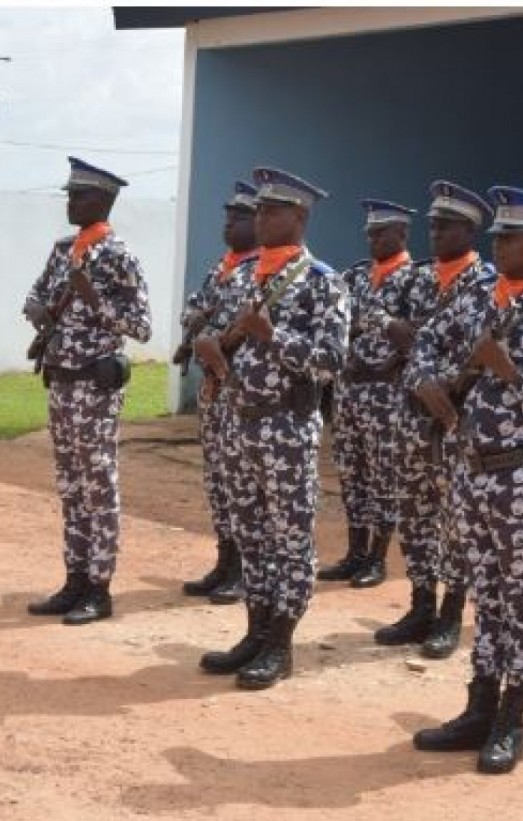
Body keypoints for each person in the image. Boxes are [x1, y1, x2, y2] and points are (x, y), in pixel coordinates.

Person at [410, 186, 523, 774]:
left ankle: (512, 718)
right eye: (496, 238)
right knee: (487, 596)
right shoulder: (476, 304)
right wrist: (430, 384)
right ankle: (478, 707)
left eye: (511, 238)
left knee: (519, 600)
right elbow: (424, 346)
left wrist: (508, 371)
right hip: (472, 471)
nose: (500, 247)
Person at [193, 166, 350, 690]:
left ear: (299, 217)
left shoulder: (323, 283)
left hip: (286, 425)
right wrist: (212, 348)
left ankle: (281, 643)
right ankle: (255, 632)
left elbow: (331, 360)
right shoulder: (242, 276)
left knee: (289, 538)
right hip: (238, 422)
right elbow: (216, 333)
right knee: (252, 533)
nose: (260, 219)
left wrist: (274, 334)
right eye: (258, 210)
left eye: (272, 211)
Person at [23, 157, 152, 625]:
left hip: (96, 387)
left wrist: (94, 298)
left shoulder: (119, 256)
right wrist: (38, 309)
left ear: (103, 200)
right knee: (71, 486)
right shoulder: (62, 251)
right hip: (61, 379)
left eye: (78, 195)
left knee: (98, 486)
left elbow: (141, 326)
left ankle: (100, 587)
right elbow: (36, 296)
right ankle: (74, 579)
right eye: (70, 193)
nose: (70, 201)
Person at [376, 181, 495, 656]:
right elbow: (390, 326)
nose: (436, 233)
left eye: (446, 226)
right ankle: (421, 603)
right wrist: (402, 342)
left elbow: (482, 353)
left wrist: (437, 375)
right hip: (411, 413)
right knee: (415, 512)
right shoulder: (417, 279)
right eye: (432, 225)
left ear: (470, 230)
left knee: (456, 519)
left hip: (454, 417)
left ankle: (450, 613)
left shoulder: (487, 285)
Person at [318, 200, 421, 589]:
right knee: (351, 473)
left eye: (381, 232)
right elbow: (335, 326)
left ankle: (377, 559)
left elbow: (417, 338)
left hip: (388, 396)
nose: (373, 239)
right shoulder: (356, 277)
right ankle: (354, 553)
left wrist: (384, 355)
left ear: (402, 234)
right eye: (369, 233)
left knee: (385, 477)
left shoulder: (417, 280)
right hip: (349, 391)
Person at [176, 181, 260, 604]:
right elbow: (190, 311)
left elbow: (239, 325)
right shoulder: (221, 269)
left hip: (239, 391)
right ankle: (224, 560)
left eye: (239, 218)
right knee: (218, 479)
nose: (228, 224)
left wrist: (212, 333)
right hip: (213, 390)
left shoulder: (261, 272)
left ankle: (245, 568)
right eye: (227, 217)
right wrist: (205, 329)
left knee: (243, 482)